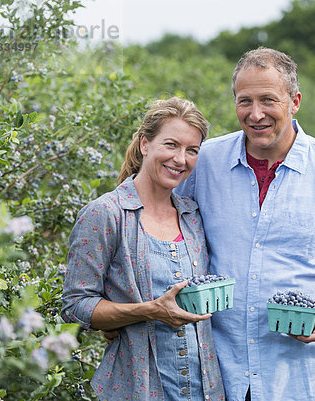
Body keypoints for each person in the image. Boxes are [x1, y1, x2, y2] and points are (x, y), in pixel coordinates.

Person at [175, 48, 315, 401]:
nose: (255, 114)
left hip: (310, 379)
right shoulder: (205, 162)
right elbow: (146, 211)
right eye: (244, 101)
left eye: (268, 100)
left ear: (295, 102)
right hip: (222, 378)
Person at [61, 97, 225, 401]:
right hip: (137, 388)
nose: (180, 159)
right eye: (171, 145)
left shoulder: (192, 215)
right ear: (144, 144)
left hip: (206, 389)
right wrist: (148, 311)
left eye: (192, 150)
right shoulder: (106, 214)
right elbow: (75, 305)